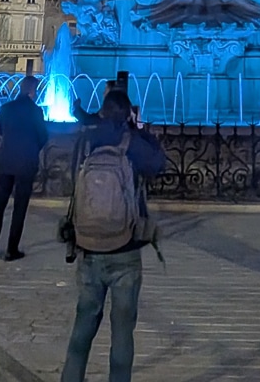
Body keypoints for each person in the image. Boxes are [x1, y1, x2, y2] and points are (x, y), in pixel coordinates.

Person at [60, 88, 165, 382]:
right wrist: (141, 131)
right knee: (122, 332)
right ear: (128, 113)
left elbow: (73, 180)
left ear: (103, 111)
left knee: (82, 328)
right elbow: (159, 165)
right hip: (125, 248)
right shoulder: (130, 141)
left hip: (88, 246)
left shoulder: (86, 141)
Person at [0, 75, 50, 261]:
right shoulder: (36, 111)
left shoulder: (6, 108)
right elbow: (43, 136)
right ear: (33, 91)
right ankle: (11, 249)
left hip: (5, 160)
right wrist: (32, 149)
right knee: (19, 207)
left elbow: (1, 131)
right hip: (25, 163)